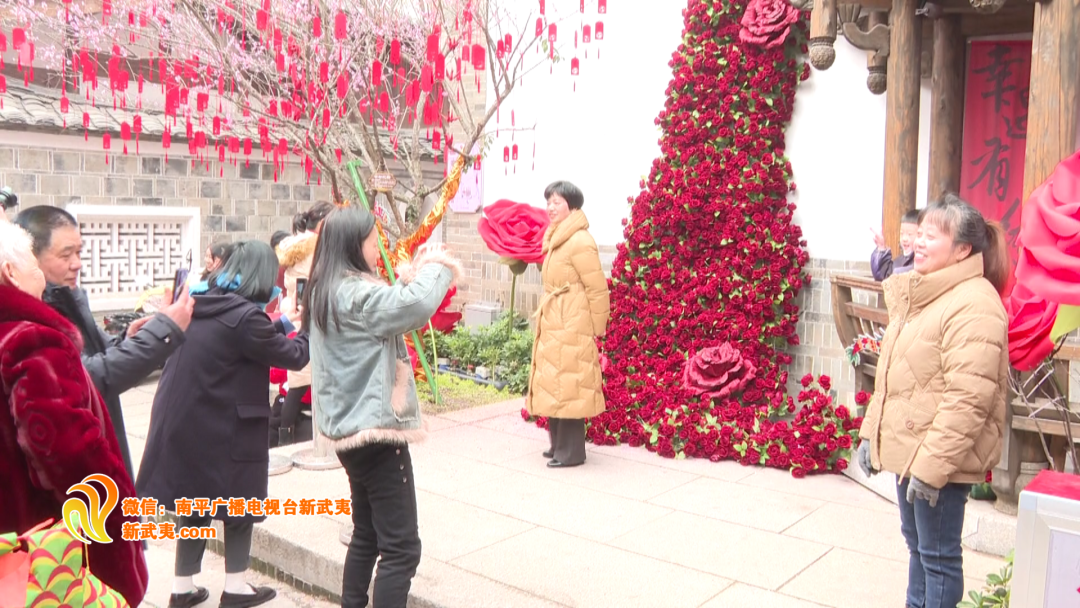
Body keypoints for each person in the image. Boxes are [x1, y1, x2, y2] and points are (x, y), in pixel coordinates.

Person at [136, 241, 309, 608]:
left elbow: (242, 338)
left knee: (194, 502)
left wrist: (282, 321)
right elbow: (294, 356)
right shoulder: (247, 317)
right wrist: (309, 326)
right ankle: (235, 588)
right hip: (225, 425)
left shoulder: (199, 304)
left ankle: (182, 589)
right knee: (239, 503)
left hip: (184, 422)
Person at [857, 194, 1009, 608]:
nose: (917, 243)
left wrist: (930, 467)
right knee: (919, 551)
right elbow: (892, 375)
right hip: (914, 453)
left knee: (938, 559)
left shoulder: (974, 302)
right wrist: (870, 433)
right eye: (918, 233)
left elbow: (967, 400)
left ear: (962, 250)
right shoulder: (925, 294)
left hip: (939, 462)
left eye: (931, 236)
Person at [305, 206, 459, 608]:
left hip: (346, 432)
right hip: (375, 432)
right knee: (402, 549)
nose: (378, 250)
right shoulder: (355, 293)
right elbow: (414, 305)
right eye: (374, 242)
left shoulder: (324, 288)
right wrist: (437, 265)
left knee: (367, 535)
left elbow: (390, 301)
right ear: (354, 245)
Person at [0, 221, 148, 606]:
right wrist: (120, 549)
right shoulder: (30, 340)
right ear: (10, 272)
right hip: (44, 562)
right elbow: (72, 457)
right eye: (34, 260)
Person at [15, 206, 193, 477]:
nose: (77, 263)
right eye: (66, 254)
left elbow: (102, 352)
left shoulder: (69, 297)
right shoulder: (31, 317)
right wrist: (165, 331)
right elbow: (88, 377)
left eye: (79, 252)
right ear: (31, 259)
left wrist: (135, 336)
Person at [527, 181, 611, 468]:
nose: (551, 207)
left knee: (570, 385)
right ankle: (557, 446)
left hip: (572, 320)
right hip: (556, 318)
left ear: (572, 206)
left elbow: (597, 288)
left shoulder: (579, 240)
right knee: (555, 382)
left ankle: (571, 452)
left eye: (557, 202)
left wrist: (597, 327)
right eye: (548, 201)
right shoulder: (557, 237)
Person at [275, 201, 334, 444]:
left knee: (297, 381)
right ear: (322, 223)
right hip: (311, 317)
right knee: (305, 380)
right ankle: (292, 436)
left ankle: (284, 434)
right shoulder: (317, 247)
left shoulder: (293, 244)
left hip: (292, 313)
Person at [871, 209, 920, 281]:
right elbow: (883, 275)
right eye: (901, 234)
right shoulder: (899, 260)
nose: (904, 239)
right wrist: (881, 248)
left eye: (910, 234)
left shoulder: (921, 263)